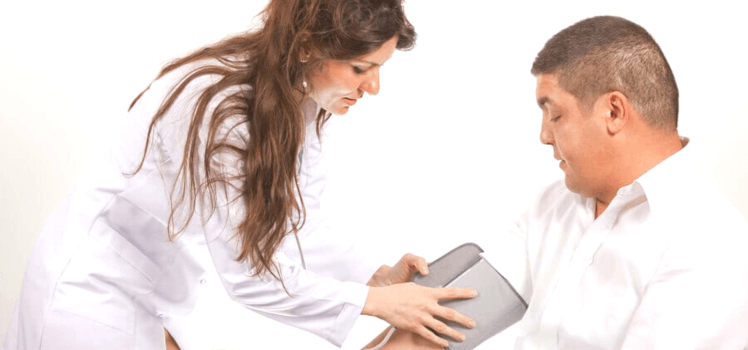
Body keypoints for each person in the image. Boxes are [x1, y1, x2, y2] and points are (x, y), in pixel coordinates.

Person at [0, 1, 478, 349]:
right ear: (310, 46)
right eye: (361, 68)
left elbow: (301, 220)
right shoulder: (219, 107)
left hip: (155, 290)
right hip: (92, 293)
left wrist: (375, 278)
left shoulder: (305, 101)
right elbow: (248, 276)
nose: (373, 87)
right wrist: (373, 305)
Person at [368, 15, 748, 349]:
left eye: (555, 114)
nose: (544, 136)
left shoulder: (709, 245)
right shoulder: (555, 204)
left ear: (613, 112)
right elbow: (434, 328)